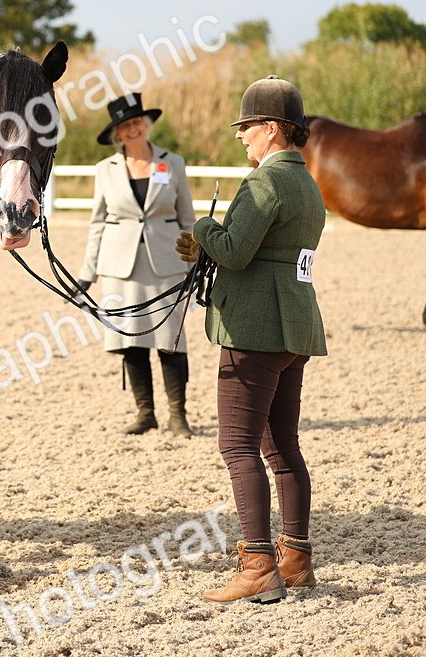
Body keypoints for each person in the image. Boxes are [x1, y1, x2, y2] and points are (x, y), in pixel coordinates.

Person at [175, 76, 327, 604]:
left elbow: (237, 251)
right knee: (283, 449)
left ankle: (258, 563)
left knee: (237, 447)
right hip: (294, 328)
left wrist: (201, 229)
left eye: (247, 128)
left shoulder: (265, 182)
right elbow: (270, 251)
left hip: (254, 329)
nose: (242, 137)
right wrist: (212, 247)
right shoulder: (307, 183)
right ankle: (297, 557)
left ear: (272, 129)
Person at [78, 94, 196, 437]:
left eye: (136, 122)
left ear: (146, 123)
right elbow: (97, 222)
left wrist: (191, 265)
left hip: (167, 263)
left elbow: (187, 219)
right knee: (131, 340)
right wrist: (87, 273)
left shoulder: (172, 162)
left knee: (170, 339)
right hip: (120, 267)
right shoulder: (105, 170)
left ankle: (178, 415)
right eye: (124, 125)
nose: (132, 129)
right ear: (116, 134)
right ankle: (146, 413)